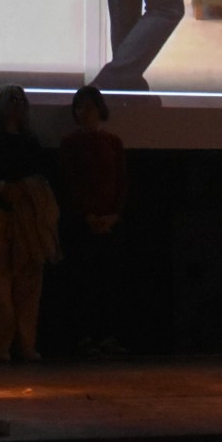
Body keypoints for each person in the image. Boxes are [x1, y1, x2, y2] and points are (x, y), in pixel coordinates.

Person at [0, 84, 61, 362]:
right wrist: (3, 188)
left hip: (27, 217)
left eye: (22, 101)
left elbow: (42, 176)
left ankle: (26, 344)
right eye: (12, 99)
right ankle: (1, 345)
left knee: (29, 280)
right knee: (0, 280)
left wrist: (25, 190)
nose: (18, 105)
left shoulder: (30, 140)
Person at [57, 86, 131, 356]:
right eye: (79, 107)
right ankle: (85, 337)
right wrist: (87, 216)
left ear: (100, 109)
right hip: (82, 224)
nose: (83, 111)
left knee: (110, 281)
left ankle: (108, 335)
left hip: (110, 222)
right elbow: (69, 184)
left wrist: (114, 215)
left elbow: (121, 182)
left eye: (88, 106)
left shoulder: (113, 142)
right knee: (84, 281)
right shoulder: (69, 143)